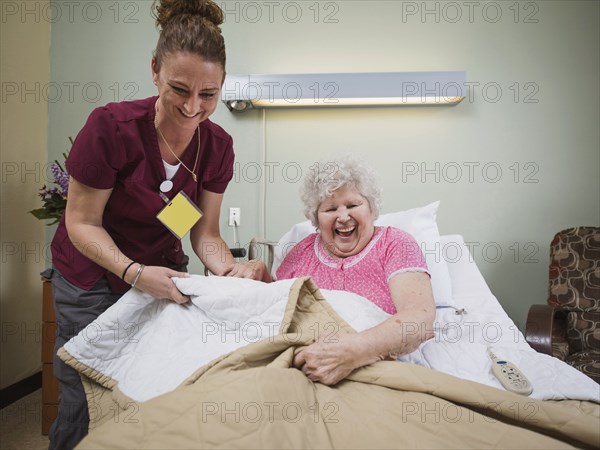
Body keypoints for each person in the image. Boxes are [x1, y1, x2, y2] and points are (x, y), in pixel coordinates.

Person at [46, 1, 269, 448]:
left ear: (222, 84)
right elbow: (82, 222)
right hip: (90, 278)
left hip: (161, 276)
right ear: (154, 71)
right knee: (86, 393)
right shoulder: (111, 128)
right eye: (180, 89)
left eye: (208, 94)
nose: (193, 107)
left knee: (147, 391)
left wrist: (230, 273)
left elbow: (204, 234)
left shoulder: (217, 147)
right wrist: (133, 273)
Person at [276, 157, 436, 386]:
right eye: (330, 209)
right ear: (316, 219)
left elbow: (419, 319)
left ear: (371, 208)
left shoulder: (395, 244)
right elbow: (276, 310)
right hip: (306, 367)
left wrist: (354, 351)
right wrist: (259, 277)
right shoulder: (301, 253)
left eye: (352, 205)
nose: (343, 217)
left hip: (375, 367)